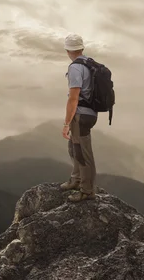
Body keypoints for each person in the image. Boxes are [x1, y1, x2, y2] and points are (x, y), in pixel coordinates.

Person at [60, 33, 98, 202]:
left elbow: (73, 98)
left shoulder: (75, 67)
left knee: (83, 153)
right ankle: (76, 180)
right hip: (90, 112)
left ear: (68, 50)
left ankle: (87, 191)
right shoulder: (90, 64)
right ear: (82, 48)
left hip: (81, 115)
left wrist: (66, 123)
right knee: (74, 148)